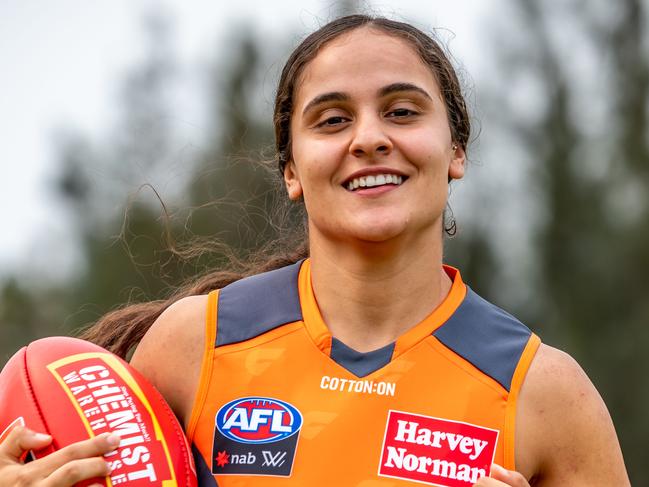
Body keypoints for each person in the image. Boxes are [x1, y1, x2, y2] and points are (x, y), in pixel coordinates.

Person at [0, 14, 629, 487]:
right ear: (292, 170)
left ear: (456, 150)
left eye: (403, 111)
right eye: (331, 120)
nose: (370, 138)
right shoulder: (195, 345)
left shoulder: (545, 393)